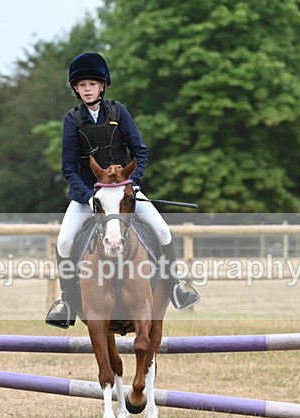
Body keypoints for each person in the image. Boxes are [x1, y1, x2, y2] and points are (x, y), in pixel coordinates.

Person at [45, 52, 200, 329]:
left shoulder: (119, 112)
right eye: (82, 85)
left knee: (163, 231)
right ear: (76, 89)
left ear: (103, 86)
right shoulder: (72, 120)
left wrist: (132, 183)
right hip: (90, 196)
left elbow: (139, 150)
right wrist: (89, 196)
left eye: (93, 83)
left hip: (124, 192)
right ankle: (67, 301)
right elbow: (68, 168)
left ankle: (176, 287)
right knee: (65, 242)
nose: (88, 88)